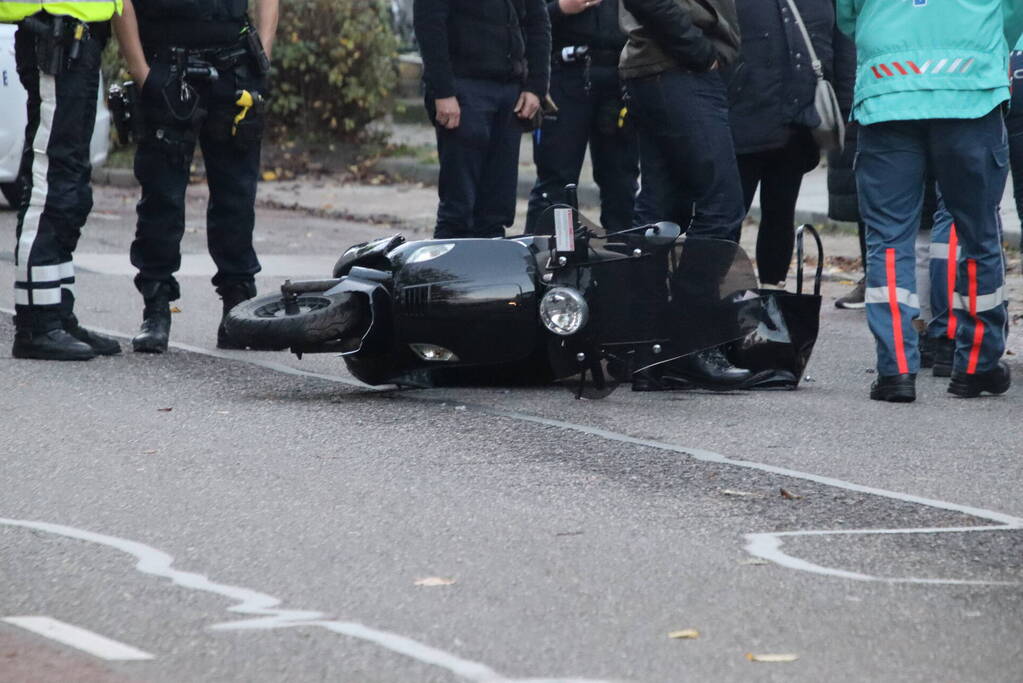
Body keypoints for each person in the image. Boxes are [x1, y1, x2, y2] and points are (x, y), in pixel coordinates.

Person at [836, 0, 1023, 402]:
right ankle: (976, 367)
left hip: (888, 90)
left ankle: (895, 370)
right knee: (978, 234)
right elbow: (1013, 15)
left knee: (888, 238)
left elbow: (848, 16)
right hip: (971, 91)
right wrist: (979, 53)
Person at [112, 0, 278, 353]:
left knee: (236, 195)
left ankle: (238, 308)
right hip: (167, 64)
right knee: (161, 196)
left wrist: (262, 56)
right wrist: (143, 75)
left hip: (235, 64)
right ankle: (156, 309)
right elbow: (120, 4)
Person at [620, 0, 753, 390]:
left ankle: (647, 351)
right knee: (722, 206)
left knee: (659, 211)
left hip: (661, 69)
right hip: (678, 68)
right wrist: (700, 53)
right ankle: (692, 344)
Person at [3, 0, 124, 360]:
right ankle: (37, 323)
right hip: (54, 30)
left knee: (69, 184)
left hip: (77, 33)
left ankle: (56, 310)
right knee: (50, 180)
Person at [413, 0, 551, 239]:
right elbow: (429, 25)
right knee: (458, 206)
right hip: (463, 88)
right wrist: (443, 91)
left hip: (510, 91)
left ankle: (489, 272)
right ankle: (448, 271)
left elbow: (538, 21)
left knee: (497, 209)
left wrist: (536, 86)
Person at [727, 0, 834, 288]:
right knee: (727, 214)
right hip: (743, 114)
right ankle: (717, 299)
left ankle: (773, 296)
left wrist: (842, 101)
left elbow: (835, 39)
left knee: (780, 212)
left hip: (796, 121)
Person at [524, 0, 637, 234]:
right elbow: (523, 22)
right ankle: (545, 257)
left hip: (620, 81)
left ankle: (623, 259)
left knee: (621, 182)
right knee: (557, 182)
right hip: (565, 76)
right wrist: (561, 8)